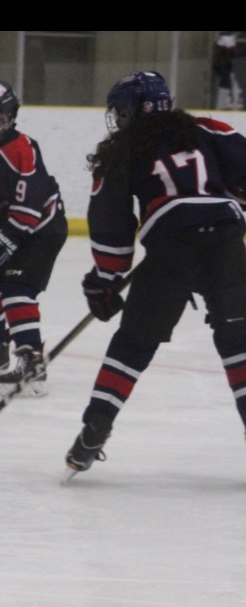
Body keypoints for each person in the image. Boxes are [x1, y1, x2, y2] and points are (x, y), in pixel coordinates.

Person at [66, 71, 246, 473]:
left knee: (133, 343)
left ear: (131, 111)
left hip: (171, 250)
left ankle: (95, 426)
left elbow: (111, 223)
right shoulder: (207, 129)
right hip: (226, 245)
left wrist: (107, 280)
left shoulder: (122, 150)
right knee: (239, 341)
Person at [0, 80, 68, 397]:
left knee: (16, 290)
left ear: (8, 118)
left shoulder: (23, 148)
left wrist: (6, 238)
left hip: (41, 230)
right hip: (13, 229)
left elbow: (30, 203)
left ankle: (31, 360)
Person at [212, 32, 243, 110]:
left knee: (234, 87)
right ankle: (224, 105)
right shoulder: (225, 39)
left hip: (233, 70)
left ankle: (232, 105)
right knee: (226, 86)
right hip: (227, 70)